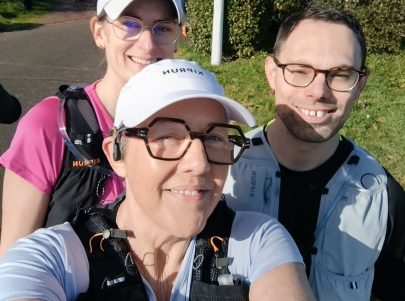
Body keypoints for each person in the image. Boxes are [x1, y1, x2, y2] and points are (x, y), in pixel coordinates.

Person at [0, 59, 315, 301]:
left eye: (214, 137)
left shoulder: (257, 242)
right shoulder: (53, 259)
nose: (199, 163)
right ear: (116, 155)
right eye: (166, 136)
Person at [224, 6, 405, 300]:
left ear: (361, 83)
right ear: (272, 73)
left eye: (341, 75)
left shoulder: (384, 201)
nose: (318, 92)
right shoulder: (218, 174)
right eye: (300, 71)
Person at [0, 0, 184, 258]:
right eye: (129, 24)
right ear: (99, 32)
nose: (148, 44)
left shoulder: (189, 127)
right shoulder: (49, 125)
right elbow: (12, 259)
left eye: (163, 28)